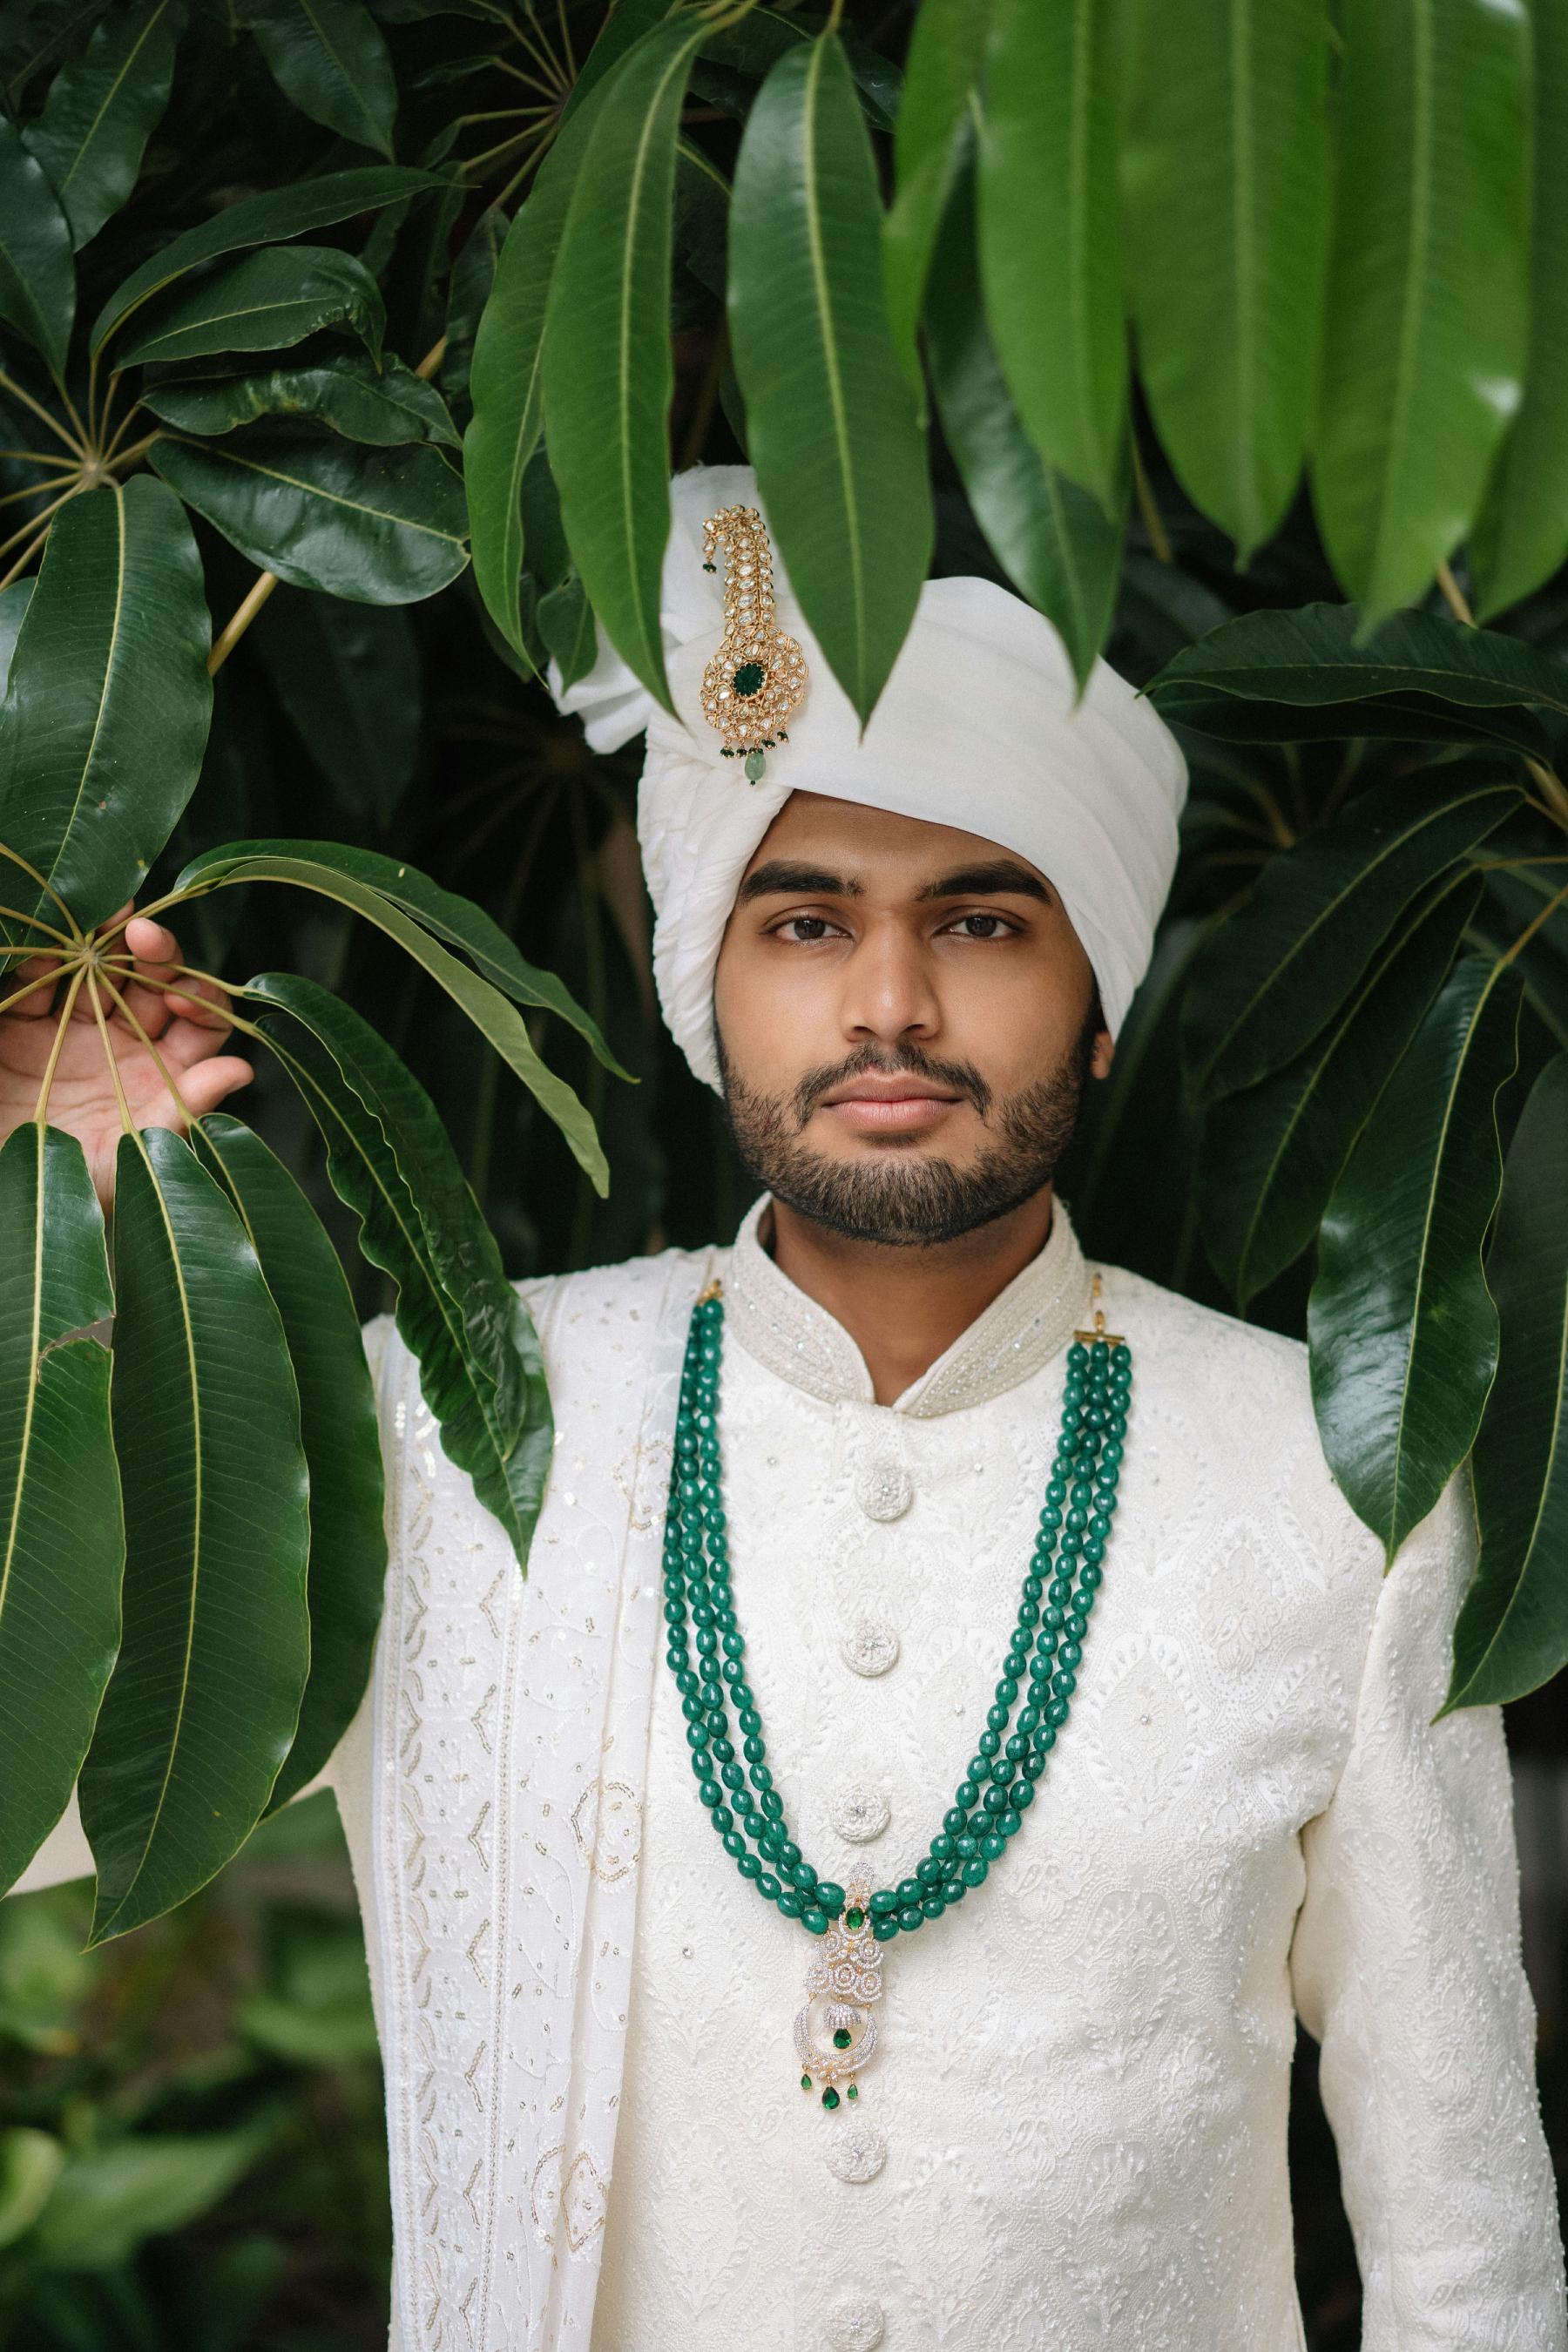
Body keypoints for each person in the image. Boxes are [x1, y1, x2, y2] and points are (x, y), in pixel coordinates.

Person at [6, 466, 1563, 2351]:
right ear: (707, 985)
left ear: (1098, 998)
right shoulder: (452, 1426)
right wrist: (52, 1275)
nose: (890, 1003)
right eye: (806, 925)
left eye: (983, 924)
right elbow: (39, 1811)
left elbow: (1461, 2229)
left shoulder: (1333, 1487)